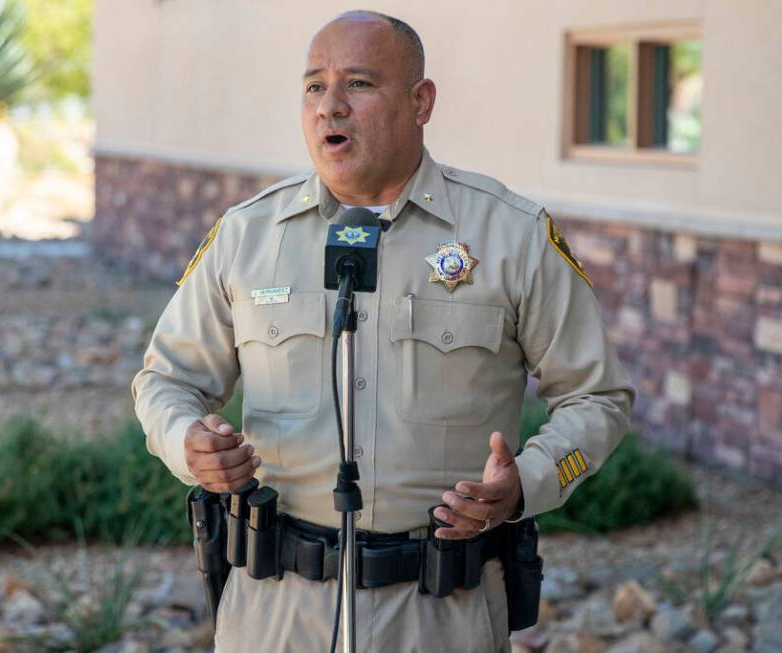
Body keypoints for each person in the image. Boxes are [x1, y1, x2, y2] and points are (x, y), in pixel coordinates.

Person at [133, 10, 634, 653]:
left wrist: (527, 484)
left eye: (359, 85)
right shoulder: (247, 235)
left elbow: (599, 398)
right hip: (274, 613)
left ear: (421, 101)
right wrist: (185, 443)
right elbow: (164, 380)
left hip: (439, 611)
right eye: (314, 87)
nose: (330, 107)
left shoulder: (511, 236)